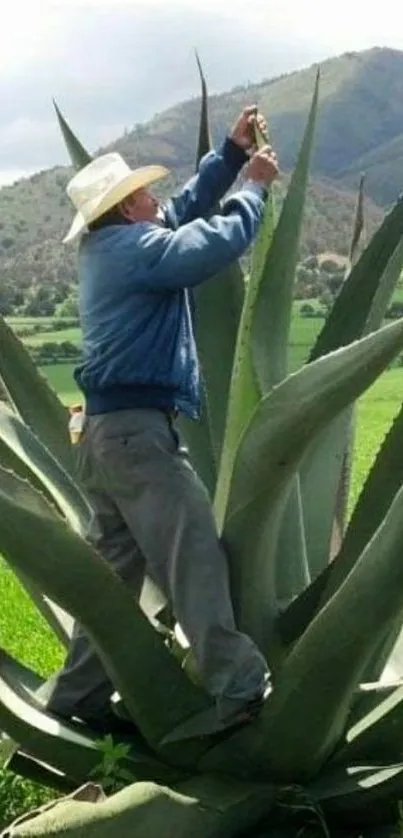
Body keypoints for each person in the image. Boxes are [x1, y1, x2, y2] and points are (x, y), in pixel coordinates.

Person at [47, 106, 279, 734]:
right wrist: (253, 189)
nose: (155, 199)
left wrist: (229, 157)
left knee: (115, 582)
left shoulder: (114, 246)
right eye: (144, 194)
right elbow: (207, 244)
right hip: (138, 440)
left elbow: (180, 215)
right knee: (193, 554)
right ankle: (240, 689)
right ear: (125, 208)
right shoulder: (135, 250)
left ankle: (76, 701)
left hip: (105, 439)